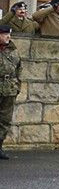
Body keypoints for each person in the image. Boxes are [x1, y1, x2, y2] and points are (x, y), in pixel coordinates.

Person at [0, 25, 21, 160]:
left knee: (4, 120)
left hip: (9, 89)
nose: (8, 36)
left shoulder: (13, 50)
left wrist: (17, 85)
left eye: (9, 34)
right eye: (5, 34)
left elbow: (19, 68)